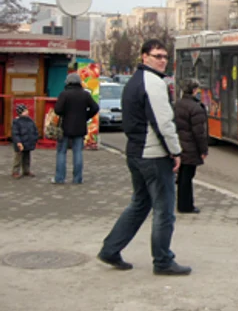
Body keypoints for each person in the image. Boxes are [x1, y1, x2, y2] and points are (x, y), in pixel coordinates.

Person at [98, 39, 191, 276]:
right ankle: (162, 261)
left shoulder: (133, 82)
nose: (162, 60)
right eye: (157, 55)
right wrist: (176, 151)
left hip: (135, 152)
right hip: (153, 155)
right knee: (164, 210)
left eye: (164, 56)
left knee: (140, 204)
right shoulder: (154, 83)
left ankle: (110, 249)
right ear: (144, 57)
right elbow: (164, 123)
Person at [53, 73, 99, 185]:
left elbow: (57, 110)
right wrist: (85, 116)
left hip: (64, 127)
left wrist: (65, 113)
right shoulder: (85, 95)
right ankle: (77, 179)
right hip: (80, 127)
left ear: (68, 82)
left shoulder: (64, 94)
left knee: (61, 152)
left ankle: (60, 178)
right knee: (78, 152)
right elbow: (95, 107)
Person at [174, 79, 208, 214]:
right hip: (190, 147)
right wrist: (203, 150)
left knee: (182, 175)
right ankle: (186, 205)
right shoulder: (196, 108)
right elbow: (199, 133)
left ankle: (182, 204)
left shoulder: (177, 104)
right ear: (194, 90)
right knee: (187, 176)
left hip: (179, 145)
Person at [11, 104, 38, 179]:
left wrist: (35, 137)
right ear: (21, 112)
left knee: (27, 157)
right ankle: (15, 171)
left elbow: (34, 129)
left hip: (28, 142)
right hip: (20, 143)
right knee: (18, 158)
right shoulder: (16, 122)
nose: (27, 111)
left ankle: (26, 170)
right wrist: (18, 142)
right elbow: (15, 133)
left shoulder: (30, 120)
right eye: (25, 110)